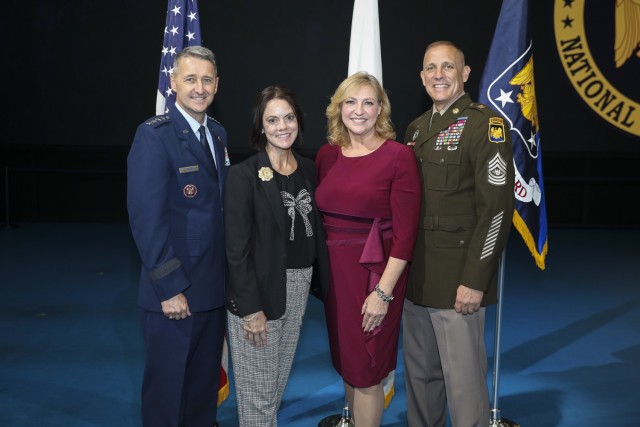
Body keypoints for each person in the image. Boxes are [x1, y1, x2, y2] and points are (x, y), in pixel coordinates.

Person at [402, 40, 515, 427]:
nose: (439, 75)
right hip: (417, 280)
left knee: (464, 388)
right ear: (421, 77)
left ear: (465, 74)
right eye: (431, 68)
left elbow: (496, 211)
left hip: (457, 284)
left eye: (447, 67)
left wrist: (474, 281)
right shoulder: (416, 130)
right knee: (420, 382)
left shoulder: (487, 125)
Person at [127, 45, 228, 427]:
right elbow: (145, 219)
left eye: (206, 79)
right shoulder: (154, 136)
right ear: (173, 82)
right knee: (168, 397)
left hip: (212, 291)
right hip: (175, 293)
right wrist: (169, 287)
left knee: (202, 394)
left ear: (216, 84)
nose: (199, 87)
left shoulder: (216, 134)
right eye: (190, 78)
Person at [315, 71, 422, 426]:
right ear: (338, 108)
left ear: (380, 110)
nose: (358, 110)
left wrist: (383, 292)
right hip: (336, 280)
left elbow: (406, 237)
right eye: (350, 102)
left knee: (367, 368)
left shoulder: (398, 157)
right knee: (348, 362)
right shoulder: (327, 155)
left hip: (375, 277)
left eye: (368, 103)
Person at [224, 85, 328, 427]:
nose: (282, 126)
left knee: (275, 386)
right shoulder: (244, 175)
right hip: (258, 293)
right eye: (273, 120)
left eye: (289, 117)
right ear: (261, 126)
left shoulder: (310, 169)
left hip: (299, 287)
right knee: (258, 396)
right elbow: (236, 251)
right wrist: (251, 309)